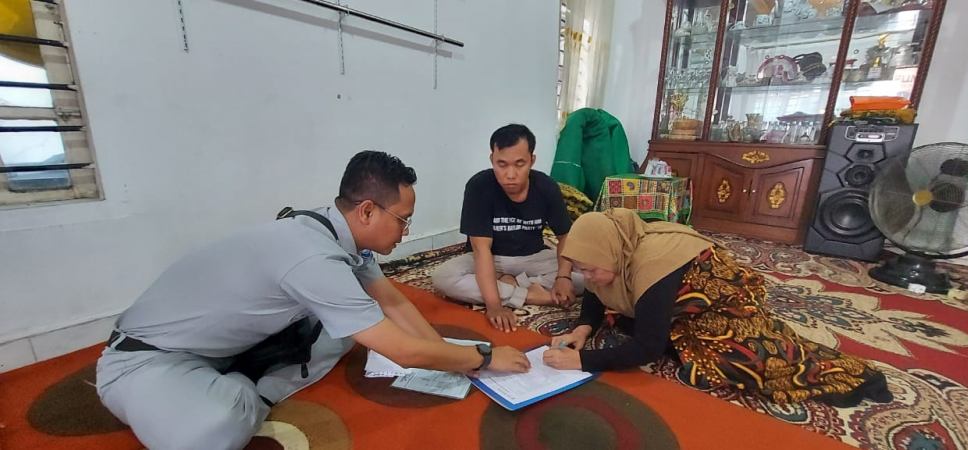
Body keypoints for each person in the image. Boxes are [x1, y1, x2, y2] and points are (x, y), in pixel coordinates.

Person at [95, 151, 530, 450]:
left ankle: (240, 373)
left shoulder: (330, 229)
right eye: (404, 220)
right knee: (214, 430)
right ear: (367, 211)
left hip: (221, 346)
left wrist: (444, 352)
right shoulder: (312, 256)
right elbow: (401, 351)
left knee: (347, 332)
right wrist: (481, 357)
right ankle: (249, 388)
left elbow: (393, 304)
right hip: (145, 360)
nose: (406, 232)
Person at [542, 209, 893, 407]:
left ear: (609, 252)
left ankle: (851, 375)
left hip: (725, 305)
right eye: (582, 270)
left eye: (590, 269)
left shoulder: (650, 266)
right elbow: (595, 291)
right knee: (625, 321)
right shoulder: (612, 251)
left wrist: (582, 360)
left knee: (743, 361)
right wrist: (583, 328)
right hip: (677, 300)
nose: (588, 277)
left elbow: (647, 349)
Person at [432, 124, 584, 332]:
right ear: (492, 160)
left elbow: (565, 236)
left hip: (534, 257)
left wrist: (563, 277)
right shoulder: (479, 186)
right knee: (444, 277)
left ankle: (510, 283)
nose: (510, 174)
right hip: (491, 259)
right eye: (501, 164)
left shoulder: (546, 187)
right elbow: (481, 250)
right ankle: (528, 293)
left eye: (520, 164)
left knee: (591, 275)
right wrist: (494, 306)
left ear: (532, 160)